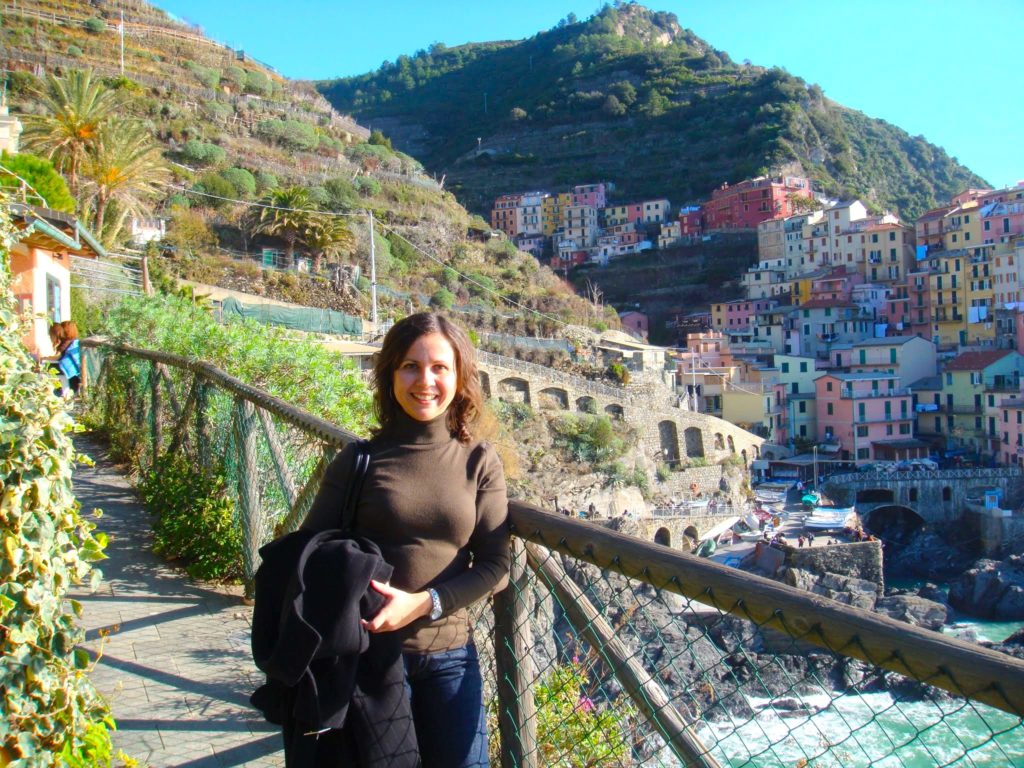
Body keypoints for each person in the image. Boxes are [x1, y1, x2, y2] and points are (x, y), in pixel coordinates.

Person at [302, 312, 510, 767]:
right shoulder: (360, 459)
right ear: (391, 373)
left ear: (460, 377)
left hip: (449, 658)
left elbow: (496, 565)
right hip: (368, 662)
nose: (425, 381)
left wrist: (422, 603)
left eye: (440, 367)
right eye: (410, 366)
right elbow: (309, 551)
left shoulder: (479, 460)